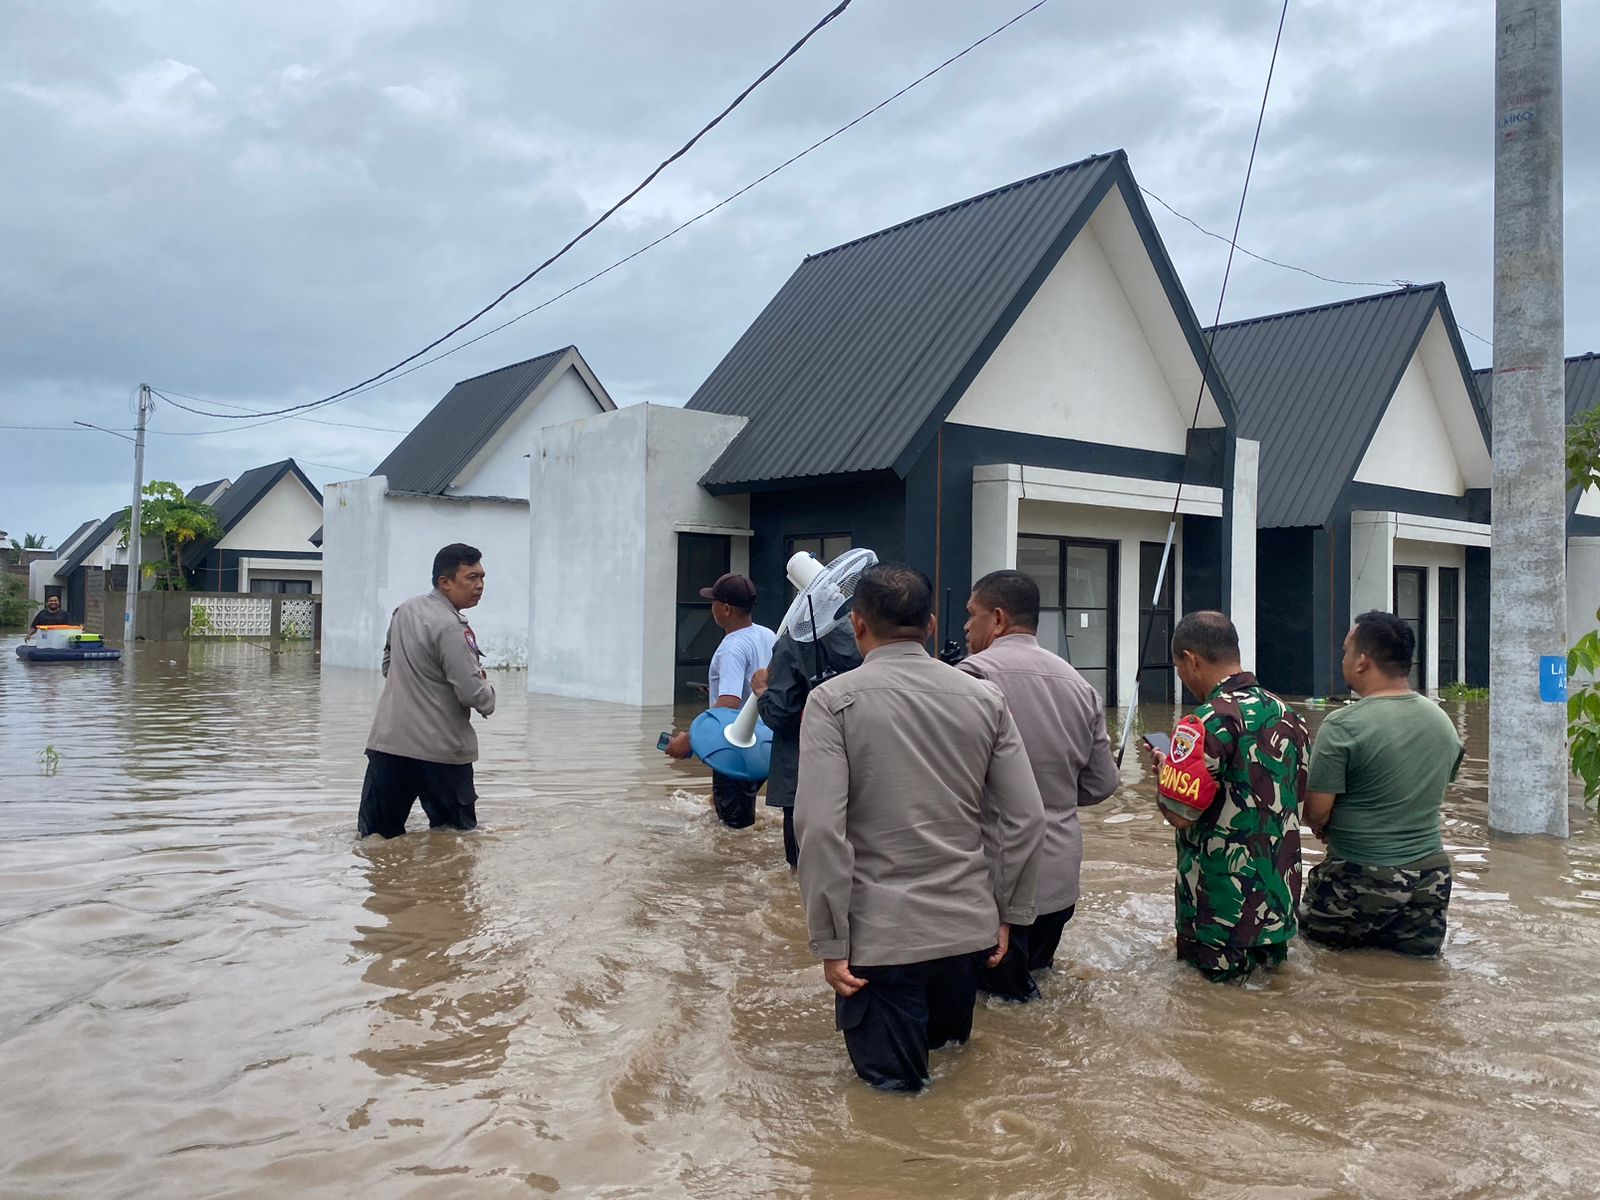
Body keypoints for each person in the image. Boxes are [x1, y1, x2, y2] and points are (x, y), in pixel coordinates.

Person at [795, 563, 1045, 1092]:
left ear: (857, 625)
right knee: (954, 1087)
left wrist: (830, 940)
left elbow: (819, 829)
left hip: (881, 945)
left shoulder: (832, 702)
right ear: (931, 625)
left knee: (895, 1107)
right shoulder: (985, 699)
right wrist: (1009, 914)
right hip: (965, 937)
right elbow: (1025, 818)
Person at [957, 570, 1119, 1000]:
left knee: (989, 1007)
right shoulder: (1079, 684)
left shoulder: (971, 678)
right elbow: (1103, 783)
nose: (966, 627)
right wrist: (1059, 792)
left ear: (997, 618)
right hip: (1059, 877)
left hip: (993, 879)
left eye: (971, 615)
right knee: (1035, 992)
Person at [1146, 611, 1308, 982]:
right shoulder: (1290, 716)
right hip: (1278, 905)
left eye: (1179, 667)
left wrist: (1166, 775)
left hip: (1219, 913)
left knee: (1209, 1019)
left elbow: (1180, 813)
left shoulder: (1205, 722)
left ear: (1190, 659)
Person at [1300, 611, 1464, 957]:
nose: (1342, 659)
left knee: (1324, 973)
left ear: (1362, 661)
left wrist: (1326, 823)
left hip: (1359, 875)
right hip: (1430, 877)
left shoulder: (1343, 725)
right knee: (1416, 981)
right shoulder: (1443, 722)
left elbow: (1315, 813)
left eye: (1346, 651)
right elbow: (1424, 792)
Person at [357, 543, 495, 839]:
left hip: (389, 747)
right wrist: (488, 689)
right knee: (456, 844)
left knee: (376, 841)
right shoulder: (451, 627)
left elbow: (387, 667)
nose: (480, 585)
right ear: (444, 582)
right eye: (471, 578)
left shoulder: (403, 611)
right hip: (441, 754)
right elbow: (473, 694)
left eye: (482, 577)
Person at [664, 573, 776, 829]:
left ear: (725, 609)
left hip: (735, 749)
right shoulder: (767, 635)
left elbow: (729, 702)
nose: (711, 606)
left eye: (713, 601)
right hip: (763, 745)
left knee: (732, 832)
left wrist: (689, 738)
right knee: (724, 807)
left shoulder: (731, 647)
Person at [752, 620, 863, 869]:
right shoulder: (860, 635)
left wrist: (763, 691)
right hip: (854, 765)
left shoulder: (792, 643)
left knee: (801, 869)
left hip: (800, 770)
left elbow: (779, 714)